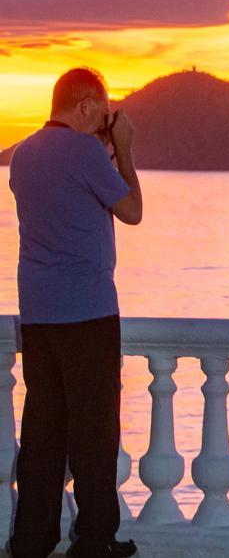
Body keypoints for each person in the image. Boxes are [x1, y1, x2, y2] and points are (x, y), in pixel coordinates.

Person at [8, 68, 142, 558]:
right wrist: (122, 147)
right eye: (102, 114)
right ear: (85, 105)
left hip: (39, 315)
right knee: (94, 433)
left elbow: (66, 206)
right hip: (87, 311)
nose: (103, 123)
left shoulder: (22, 156)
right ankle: (94, 540)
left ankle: (31, 538)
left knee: (43, 430)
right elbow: (131, 210)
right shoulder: (86, 152)